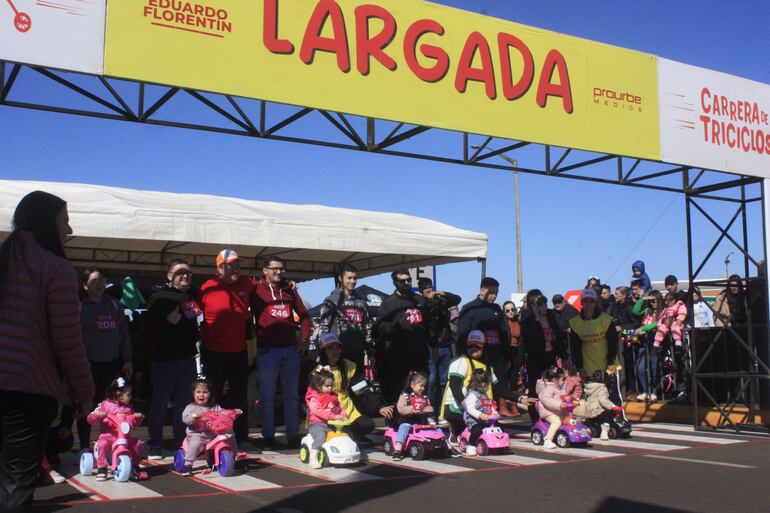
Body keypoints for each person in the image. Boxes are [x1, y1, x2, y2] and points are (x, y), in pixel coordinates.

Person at [0, 191, 94, 513]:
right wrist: (84, 392)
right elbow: (67, 340)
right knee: (16, 480)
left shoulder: (4, 256)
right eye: (65, 222)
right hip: (27, 386)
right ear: (45, 222)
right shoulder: (55, 268)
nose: (69, 231)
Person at [252, 256, 312, 450]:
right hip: (267, 351)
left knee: (292, 395)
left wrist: (304, 340)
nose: (279, 272)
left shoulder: (289, 290)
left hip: (290, 350)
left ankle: (292, 435)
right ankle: (268, 435)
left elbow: (304, 315)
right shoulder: (256, 289)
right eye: (274, 269)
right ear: (265, 271)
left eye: (281, 269)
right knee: (267, 395)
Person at [198, 249, 257, 451]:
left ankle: (242, 437)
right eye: (229, 264)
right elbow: (189, 307)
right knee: (213, 396)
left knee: (239, 396)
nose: (234, 268)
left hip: (238, 351)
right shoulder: (207, 287)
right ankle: (210, 436)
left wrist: (288, 286)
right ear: (219, 267)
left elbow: (266, 287)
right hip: (213, 351)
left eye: (236, 264)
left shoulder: (247, 283)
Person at [145, 258, 200, 459]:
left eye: (188, 273)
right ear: (169, 276)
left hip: (187, 358)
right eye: (180, 272)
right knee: (160, 402)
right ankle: (155, 444)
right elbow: (146, 323)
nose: (185, 276)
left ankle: (180, 441)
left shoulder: (192, 295)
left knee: (183, 404)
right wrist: (165, 319)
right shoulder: (159, 297)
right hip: (165, 359)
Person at [77, 269, 133, 452]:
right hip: (87, 364)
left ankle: (112, 442)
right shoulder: (79, 306)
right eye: (94, 281)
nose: (99, 284)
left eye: (101, 279)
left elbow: (124, 334)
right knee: (87, 404)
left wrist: (128, 359)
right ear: (85, 286)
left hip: (112, 363)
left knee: (113, 405)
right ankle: (85, 446)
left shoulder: (114, 304)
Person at [440, 330, 528, 442]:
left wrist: (520, 399)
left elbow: (500, 389)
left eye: (478, 346)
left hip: (481, 409)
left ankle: (466, 432)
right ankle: (456, 430)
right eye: (470, 346)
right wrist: (466, 406)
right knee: (477, 429)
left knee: (498, 429)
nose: (474, 348)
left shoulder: (487, 367)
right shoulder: (461, 362)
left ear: (484, 347)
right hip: (458, 407)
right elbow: (454, 386)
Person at [317, 333, 393, 446]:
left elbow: (362, 390)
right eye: (331, 349)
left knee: (367, 425)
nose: (335, 351)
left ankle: (349, 433)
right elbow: (313, 397)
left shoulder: (348, 366)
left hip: (346, 411)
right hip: (326, 412)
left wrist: (379, 407)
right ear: (324, 352)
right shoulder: (318, 370)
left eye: (337, 348)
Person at [456, 277, 513, 416]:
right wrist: (463, 356)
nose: (494, 295)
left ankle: (493, 417)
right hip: (477, 358)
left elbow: (504, 333)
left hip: (496, 356)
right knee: (479, 389)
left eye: (497, 292)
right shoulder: (470, 308)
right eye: (492, 292)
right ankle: (476, 417)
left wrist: (507, 356)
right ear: (482, 290)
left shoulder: (496, 309)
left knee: (497, 388)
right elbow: (461, 335)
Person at [375, 268, 430, 403]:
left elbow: (430, 325)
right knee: (398, 396)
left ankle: (420, 422)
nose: (406, 283)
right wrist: (398, 325)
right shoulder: (388, 303)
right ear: (395, 283)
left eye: (408, 280)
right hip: (397, 360)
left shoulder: (420, 300)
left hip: (419, 357)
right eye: (402, 281)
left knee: (420, 396)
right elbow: (379, 329)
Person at [86, 377, 146, 481]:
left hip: (124, 437)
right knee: (102, 443)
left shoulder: (128, 408)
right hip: (109, 436)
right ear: (118, 394)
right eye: (128, 395)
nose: (131, 397)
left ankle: (135, 465)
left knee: (137, 444)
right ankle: (102, 467)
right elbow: (90, 419)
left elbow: (132, 424)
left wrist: (136, 418)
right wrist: (98, 415)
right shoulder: (105, 405)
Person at [568, 289, 621, 405]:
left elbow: (613, 342)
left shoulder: (606, 320)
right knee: (592, 398)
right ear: (582, 303)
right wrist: (580, 367)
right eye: (586, 301)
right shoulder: (575, 323)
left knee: (612, 395)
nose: (588, 304)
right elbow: (575, 347)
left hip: (608, 364)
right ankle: (596, 420)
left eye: (591, 301)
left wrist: (611, 362)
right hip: (588, 366)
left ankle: (619, 419)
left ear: (595, 302)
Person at [317, 264, 374, 370]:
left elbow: (367, 328)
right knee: (340, 386)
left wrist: (370, 352)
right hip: (338, 355)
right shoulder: (331, 300)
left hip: (358, 353)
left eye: (355, 278)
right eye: (349, 278)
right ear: (340, 278)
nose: (352, 281)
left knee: (359, 386)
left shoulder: (361, 301)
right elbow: (323, 329)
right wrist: (324, 356)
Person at [520, 290, 566, 419]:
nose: (544, 307)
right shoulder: (527, 319)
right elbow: (528, 340)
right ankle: (535, 419)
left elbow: (558, 336)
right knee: (535, 389)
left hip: (550, 356)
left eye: (545, 304)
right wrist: (535, 319)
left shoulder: (550, 316)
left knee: (552, 387)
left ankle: (550, 416)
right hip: (535, 358)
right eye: (540, 305)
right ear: (533, 305)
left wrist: (564, 356)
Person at [180, 378, 240, 476]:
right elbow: (186, 419)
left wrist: (234, 413)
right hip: (198, 434)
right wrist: (194, 416)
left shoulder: (215, 407)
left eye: (205, 392)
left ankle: (234, 458)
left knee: (230, 436)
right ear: (193, 394)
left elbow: (224, 414)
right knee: (195, 443)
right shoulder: (191, 407)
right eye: (198, 392)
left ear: (210, 394)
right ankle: (188, 464)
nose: (201, 395)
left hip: (213, 434)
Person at [393, 371, 457, 459]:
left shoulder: (425, 398)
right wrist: (413, 409)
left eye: (424, 386)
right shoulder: (405, 396)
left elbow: (429, 410)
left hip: (421, 421)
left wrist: (430, 410)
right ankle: (398, 449)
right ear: (412, 384)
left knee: (437, 428)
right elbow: (400, 408)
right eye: (421, 386)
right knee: (404, 427)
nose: (423, 388)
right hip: (407, 420)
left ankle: (448, 446)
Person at [418, 277, 461, 407]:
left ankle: (442, 408)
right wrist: (426, 300)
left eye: (430, 287)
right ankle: (430, 409)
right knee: (431, 380)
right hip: (429, 347)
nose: (428, 290)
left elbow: (456, 299)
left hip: (444, 345)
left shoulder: (441, 301)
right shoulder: (420, 303)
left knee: (443, 380)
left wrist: (441, 293)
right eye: (425, 288)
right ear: (421, 291)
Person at [304, 367, 346, 468]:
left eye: (332, 385)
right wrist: (333, 416)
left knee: (346, 434)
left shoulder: (333, 396)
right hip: (317, 425)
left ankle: (344, 452)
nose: (330, 388)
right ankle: (313, 458)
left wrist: (343, 415)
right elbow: (318, 411)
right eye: (327, 386)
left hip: (331, 424)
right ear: (318, 386)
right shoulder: (314, 398)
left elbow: (340, 407)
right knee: (320, 437)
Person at [655, 292, 689, 402]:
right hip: (666, 342)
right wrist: (663, 322)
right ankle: (670, 390)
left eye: (669, 300)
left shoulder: (680, 306)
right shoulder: (665, 309)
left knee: (680, 365)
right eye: (665, 300)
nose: (667, 302)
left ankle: (682, 389)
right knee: (668, 367)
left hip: (677, 340)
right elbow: (659, 321)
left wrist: (676, 320)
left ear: (674, 300)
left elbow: (682, 316)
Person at [633, 290, 664, 401]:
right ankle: (646, 391)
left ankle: (655, 391)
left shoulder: (663, 311)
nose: (653, 303)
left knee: (655, 367)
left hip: (655, 342)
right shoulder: (647, 310)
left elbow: (659, 323)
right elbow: (635, 311)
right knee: (640, 367)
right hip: (644, 341)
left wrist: (644, 328)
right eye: (651, 301)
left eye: (655, 300)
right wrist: (642, 299)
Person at [461, 369, 499, 455]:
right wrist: (480, 415)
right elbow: (469, 408)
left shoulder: (483, 394)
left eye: (485, 382)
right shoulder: (472, 395)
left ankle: (497, 445)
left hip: (486, 419)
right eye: (482, 382)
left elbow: (488, 406)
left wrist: (494, 411)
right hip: (473, 421)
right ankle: (471, 445)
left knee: (499, 428)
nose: (484, 384)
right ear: (476, 383)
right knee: (477, 430)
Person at [613, 286, 641, 400]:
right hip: (622, 340)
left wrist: (622, 327)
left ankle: (632, 389)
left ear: (623, 295)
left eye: (617, 293)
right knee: (624, 365)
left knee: (631, 364)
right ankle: (625, 388)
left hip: (630, 339)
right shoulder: (617, 306)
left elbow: (636, 323)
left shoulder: (629, 306)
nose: (615, 296)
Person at [536, 366, 568, 449]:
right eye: (563, 379)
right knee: (556, 421)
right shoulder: (549, 388)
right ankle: (548, 439)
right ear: (555, 380)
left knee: (569, 419)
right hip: (548, 412)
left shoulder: (559, 388)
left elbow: (564, 397)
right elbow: (547, 400)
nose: (565, 381)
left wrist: (571, 399)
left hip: (557, 411)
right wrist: (559, 404)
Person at [503, 301, 523, 396]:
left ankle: (514, 405)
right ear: (504, 312)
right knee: (504, 379)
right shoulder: (503, 323)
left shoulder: (519, 321)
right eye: (507, 310)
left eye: (512, 309)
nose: (510, 312)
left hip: (516, 352)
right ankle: (504, 405)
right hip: (506, 352)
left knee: (514, 379)